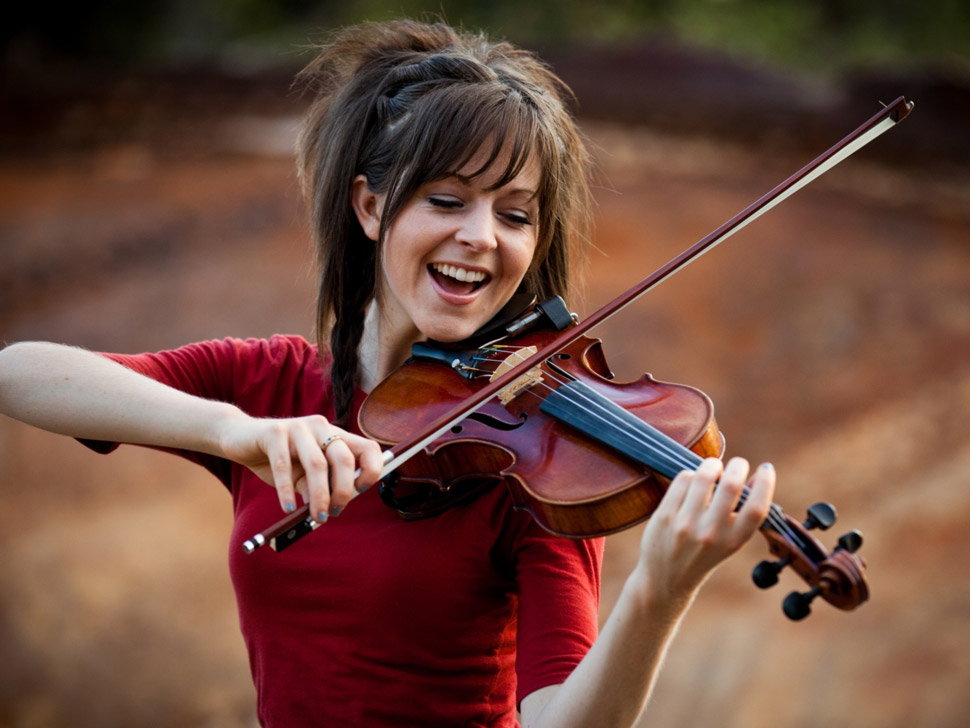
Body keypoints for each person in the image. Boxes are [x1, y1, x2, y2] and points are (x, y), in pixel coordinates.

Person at [0, 19, 774, 728]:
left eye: (515, 213)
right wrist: (236, 434)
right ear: (370, 209)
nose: (480, 236)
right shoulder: (272, 386)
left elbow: (555, 721)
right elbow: (21, 373)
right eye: (447, 199)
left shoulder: (539, 464)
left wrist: (656, 595)